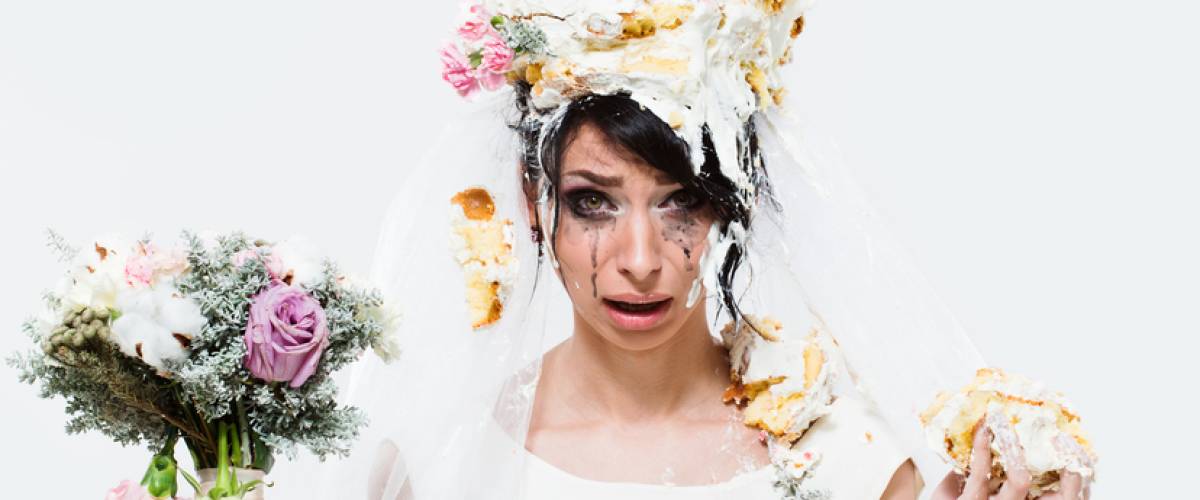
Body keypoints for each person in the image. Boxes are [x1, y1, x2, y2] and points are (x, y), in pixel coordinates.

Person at [324, 2, 1094, 498]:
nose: (639, 258)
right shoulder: (441, 467)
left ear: (735, 204)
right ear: (535, 206)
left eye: (680, 201)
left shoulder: (849, 463)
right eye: (594, 203)